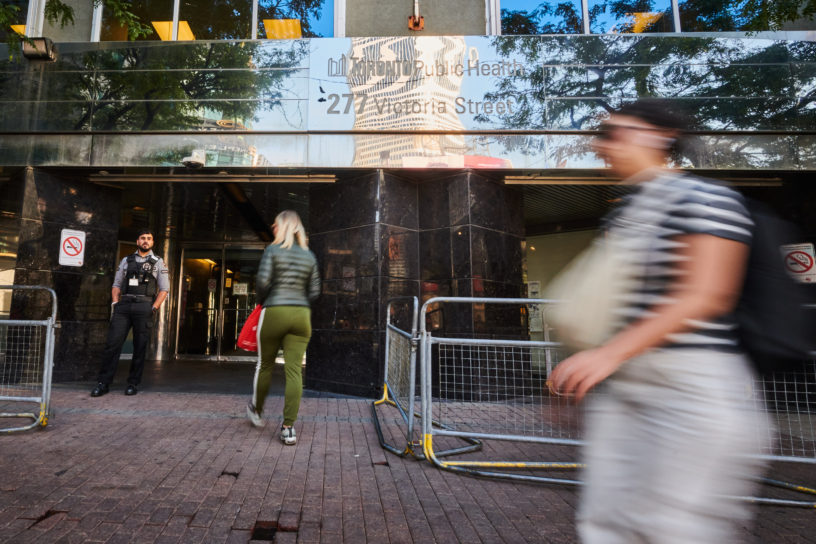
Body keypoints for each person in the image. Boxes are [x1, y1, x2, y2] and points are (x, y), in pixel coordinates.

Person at [548, 100, 770, 543]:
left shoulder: (705, 197)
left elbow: (706, 294)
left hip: (690, 387)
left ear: (659, 136)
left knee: (675, 526)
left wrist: (607, 355)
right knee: (607, 522)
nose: (599, 145)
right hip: (627, 389)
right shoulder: (627, 213)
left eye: (613, 133)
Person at [246, 210, 320, 446]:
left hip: (275, 310)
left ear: (283, 227)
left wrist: (263, 300)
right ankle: (288, 428)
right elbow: (315, 290)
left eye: (275, 224)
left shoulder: (273, 250)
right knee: (294, 370)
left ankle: (256, 411)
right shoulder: (309, 256)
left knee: (265, 363)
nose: (273, 228)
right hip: (302, 315)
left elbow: (263, 282)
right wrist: (300, 302)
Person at [91, 229, 169, 397]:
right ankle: (103, 383)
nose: (145, 241)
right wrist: (115, 303)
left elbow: (164, 290)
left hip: (144, 306)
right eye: (143, 238)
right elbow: (116, 284)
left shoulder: (158, 262)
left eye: (149, 238)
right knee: (112, 345)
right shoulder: (127, 260)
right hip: (124, 306)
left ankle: (133, 383)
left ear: (152, 242)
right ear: (137, 241)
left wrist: (153, 308)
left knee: (139, 347)